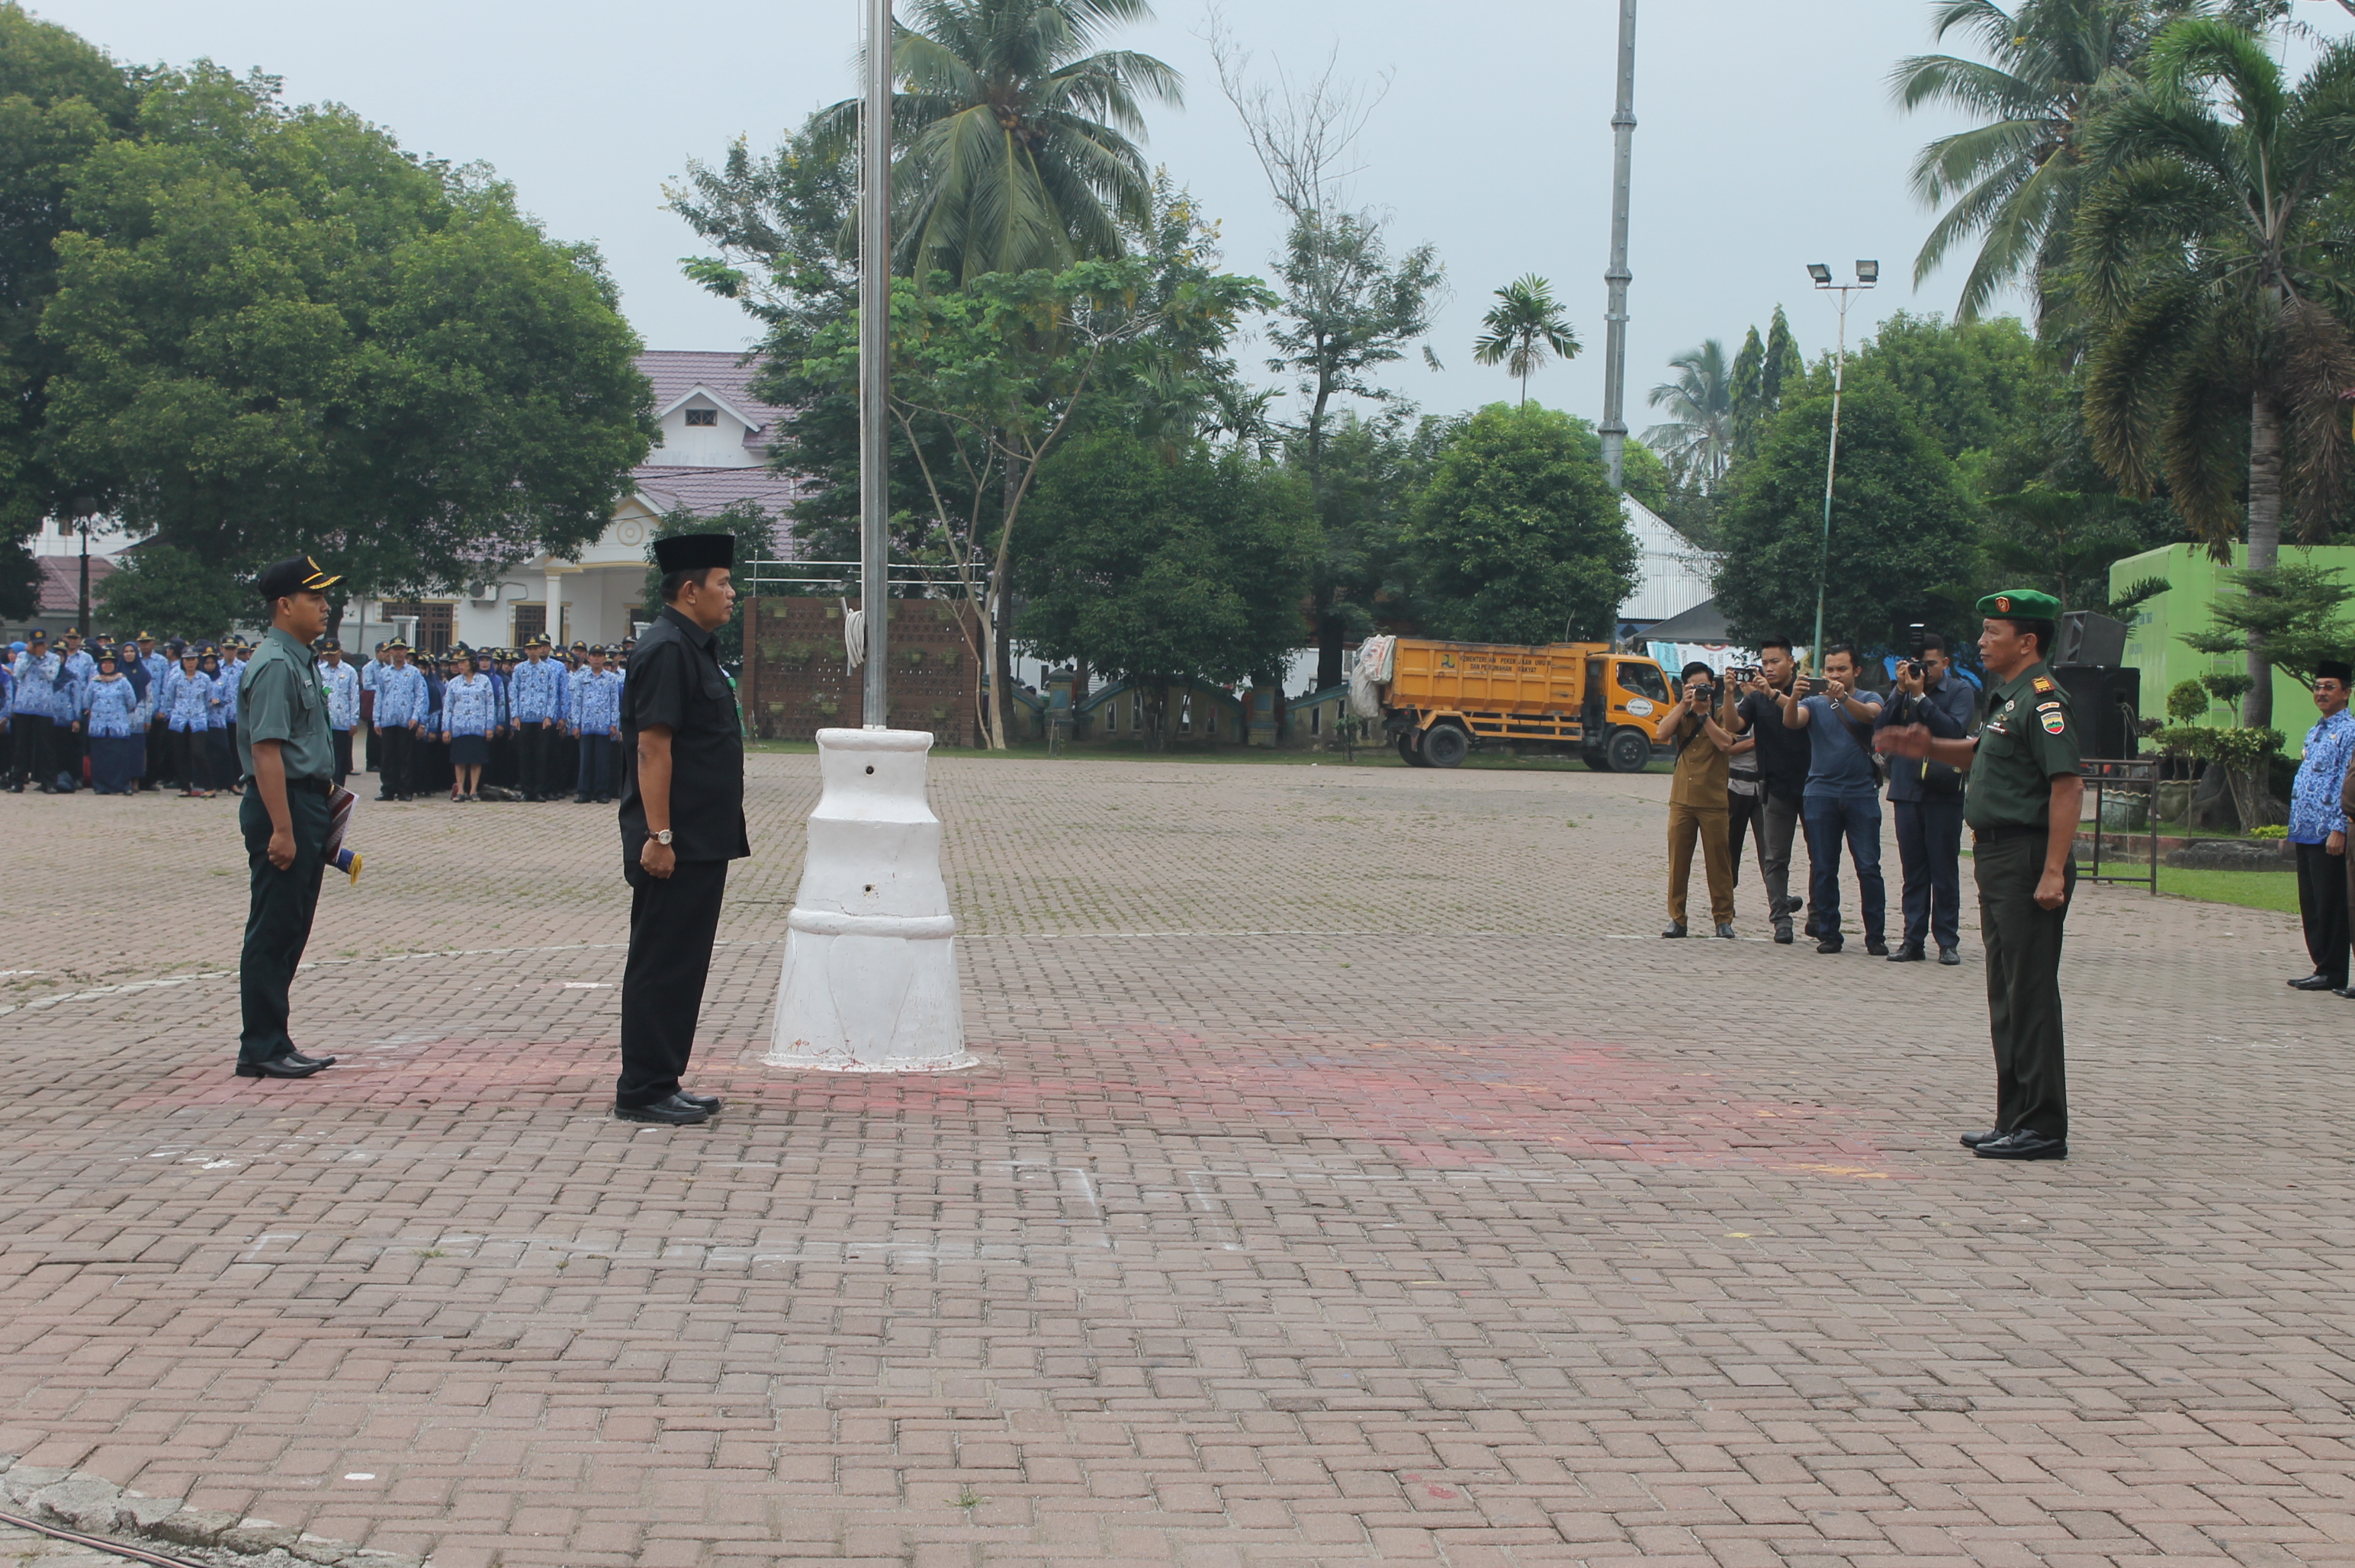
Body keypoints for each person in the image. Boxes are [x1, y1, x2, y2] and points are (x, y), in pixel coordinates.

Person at [1878, 589, 2081, 1160]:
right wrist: (1929, 746)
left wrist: (2053, 871)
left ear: (2027, 641)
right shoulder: (2008, 698)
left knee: (2030, 993)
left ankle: (2043, 1126)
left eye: (1994, 632)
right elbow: (1978, 754)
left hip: (2026, 858)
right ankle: (2014, 1117)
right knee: (2006, 993)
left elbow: (2068, 787)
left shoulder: (2044, 701)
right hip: (1996, 858)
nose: (1982, 641)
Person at [615, 534, 748, 1126]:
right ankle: (643, 1088)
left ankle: (662, 1078)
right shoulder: (668, 649)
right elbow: (653, 747)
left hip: (697, 838)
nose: (732, 593)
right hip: (674, 842)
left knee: (682, 964)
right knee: (663, 963)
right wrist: (660, 836)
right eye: (723, 583)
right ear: (690, 591)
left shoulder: (693, 648)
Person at [233, 555, 346, 1081]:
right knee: (274, 927)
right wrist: (282, 828)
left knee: (292, 926)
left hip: (306, 803)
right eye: (314, 597)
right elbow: (266, 752)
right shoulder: (277, 664)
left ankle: (275, 1039)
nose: (325, 607)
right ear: (285, 605)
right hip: (285, 805)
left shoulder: (299, 658)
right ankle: (259, 1045)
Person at [1877, 631, 1977, 965]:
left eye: (1931, 664)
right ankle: (1912, 941)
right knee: (1914, 872)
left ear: (1945, 663)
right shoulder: (1904, 690)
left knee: (1944, 869)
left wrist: (1921, 698)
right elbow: (1881, 728)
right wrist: (1900, 690)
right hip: (1907, 790)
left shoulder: (1960, 691)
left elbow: (1954, 731)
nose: (1924, 670)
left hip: (1943, 792)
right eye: (1919, 664)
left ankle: (1947, 941)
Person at [1780, 645, 1888, 955]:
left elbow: (1871, 716)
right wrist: (1794, 697)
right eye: (1829, 670)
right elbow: (1793, 722)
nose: (1835, 676)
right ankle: (1829, 932)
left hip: (1861, 794)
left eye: (1842, 669)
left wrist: (1843, 698)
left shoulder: (1869, 697)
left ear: (1856, 671)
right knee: (1824, 867)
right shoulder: (1814, 702)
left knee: (1868, 866)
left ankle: (1875, 936)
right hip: (1820, 794)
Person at [1729, 638, 1813, 943]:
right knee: (1775, 857)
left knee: (1820, 855)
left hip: (1813, 786)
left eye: (1775, 661)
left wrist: (1773, 694)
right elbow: (1735, 726)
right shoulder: (1755, 698)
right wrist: (1728, 694)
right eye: (1765, 663)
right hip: (1775, 786)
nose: (1769, 668)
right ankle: (1781, 919)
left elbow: (1799, 717)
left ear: (1791, 662)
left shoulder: (1807, 691)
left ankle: (1818, 916)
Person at [2286, 660, 2355, 991]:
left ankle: (2333, 969)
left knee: (2331, 903)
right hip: (2306, 827)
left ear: (2346, 693)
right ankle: (2321, 965)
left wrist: (2340, 828)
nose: (2321, 693)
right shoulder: (2316, 731)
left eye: (2329, 687)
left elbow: (2347, 781)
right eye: (2317, 687)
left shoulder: (2349, 731)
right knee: (2311, 902)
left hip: (2330, 830)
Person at [1659, 661, 1737, 939]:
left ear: (1713, 687)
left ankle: (1723, 920)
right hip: (1682, 800)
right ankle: (1677, 918)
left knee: (1719, 865)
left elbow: (1726, 744)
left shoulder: (1722, 714)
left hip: (1714, 801)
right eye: (1693, 687)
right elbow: (1661, 733)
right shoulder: (1682, 714)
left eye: (1703, 686)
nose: (1699, 691)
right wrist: (1684, 704)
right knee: (1678, 864)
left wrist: (1705, 716)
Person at [79, 646, 145, 793]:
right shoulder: (94, 683)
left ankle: (122, 786)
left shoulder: (123, 682)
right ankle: (101, 786)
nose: (107, 665)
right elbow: (86, 702)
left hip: (118, 726)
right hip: (99, 726)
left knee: (119, 757)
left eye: (110, 662)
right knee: (100, 757)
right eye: (104, 663)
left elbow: (131, 702)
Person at [509, 635, 567, 801]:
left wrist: (549, 716)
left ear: (540, 649)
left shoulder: (548, 670)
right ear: (526, 650)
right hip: (524, 717)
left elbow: (552, 694)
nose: (533, 651)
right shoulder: (519, 669)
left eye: (536, 648)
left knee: (541, 755)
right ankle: (527, 790)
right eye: (530, 649)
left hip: (542, 718)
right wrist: (515, 716)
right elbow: (514, 693)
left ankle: (539, 790)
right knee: (525, 755)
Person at [442, 650, 500, 801]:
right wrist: (446, 728)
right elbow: (448, 707)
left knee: (476, 760)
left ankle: (473, 790)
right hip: (459, 726)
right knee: (459, 760)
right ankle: (461, 790)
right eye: (459, 662)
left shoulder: (484, 681)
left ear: (472, 663)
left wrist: (490, 726)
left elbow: (490, 705)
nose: (460, 665)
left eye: (464, 662)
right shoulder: (454, 683)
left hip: (478, 726)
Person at [570, 644, 623, 802]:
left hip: (604, 725)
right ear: (589, 658)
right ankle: (584, 792)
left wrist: (614, 724)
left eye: (600, 656)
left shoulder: (611, 679)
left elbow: (615, 703)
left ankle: (602, 792)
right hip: (586, 724)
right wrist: (575, 724)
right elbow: (576, 702)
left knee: (602, 761)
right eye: (594, 656)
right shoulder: (581, 678)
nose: (597, 659)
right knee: (585, 761)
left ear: (604, 658)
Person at [7, 630, 57, 792]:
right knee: (21, 745)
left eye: (41, 644)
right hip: (24, 706)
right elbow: (17, 674)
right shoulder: (22, 656)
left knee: (46, 746)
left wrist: (41, 658)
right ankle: (17, 781)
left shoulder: (53, 658)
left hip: (44, 707)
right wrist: (30, 656)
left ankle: (48, 782)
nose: (38, 647)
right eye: (35, 644)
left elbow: (51, 675)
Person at [162, 644, 214, 796]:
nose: (190, 663)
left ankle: (209, 787)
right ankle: (185, 787)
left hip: (198, 719)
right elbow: (169, 699)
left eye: (193, 659)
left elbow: (209, 700)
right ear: (183, 662)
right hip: (179, 719)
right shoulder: (175, 678)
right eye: (187, 660)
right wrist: (169, 715)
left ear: (197, 661)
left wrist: (203, 714)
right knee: (179, 754)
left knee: (198, 752)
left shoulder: (205, 679)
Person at [316, 638, 361, 788]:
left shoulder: (349, 671)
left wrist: (354, 721)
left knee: (340, 759)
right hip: (322, 723)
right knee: (323, 758)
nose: (330, 657)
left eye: (333, 654)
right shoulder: (319, 670)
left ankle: (338, 788)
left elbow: (354, 697)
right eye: (328, 654)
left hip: (342, 722)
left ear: (340, 652)